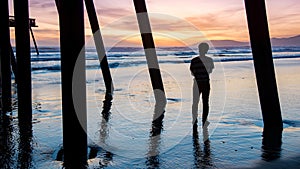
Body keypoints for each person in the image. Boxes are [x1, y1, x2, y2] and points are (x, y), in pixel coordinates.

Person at [190, 42, 214, 128]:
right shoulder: (209, 60)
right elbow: (210, 71)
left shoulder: (194, 61)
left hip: (196, 83)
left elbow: (192, 73)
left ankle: (194, 119)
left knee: (195, 102)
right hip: (205, 82)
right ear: (207, 50)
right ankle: (204, 120)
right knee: (205, 102)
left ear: (199, 49)